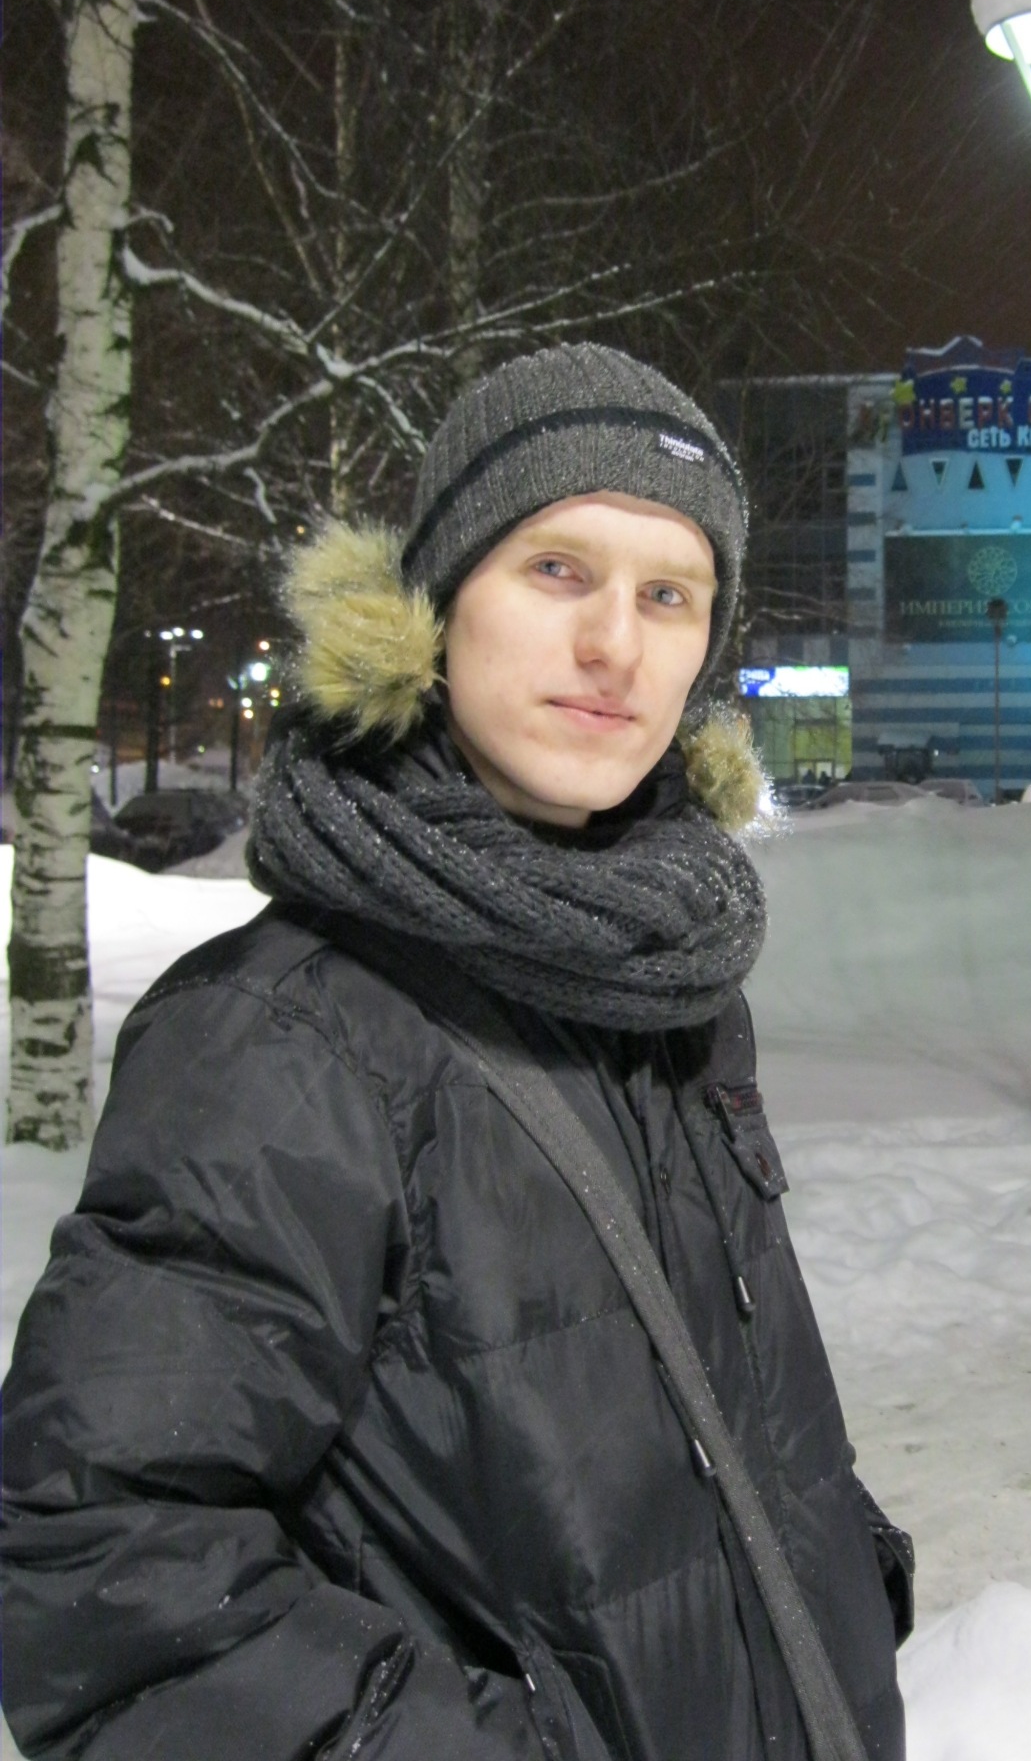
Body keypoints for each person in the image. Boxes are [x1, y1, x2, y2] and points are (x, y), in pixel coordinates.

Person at [1, 344, 912, 1761]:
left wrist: (836, 1587)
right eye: (557, 570)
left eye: (669, 596)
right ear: (431, 609)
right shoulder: (284, 1034)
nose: (616, 645)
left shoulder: (664, 980)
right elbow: (104, 1572)